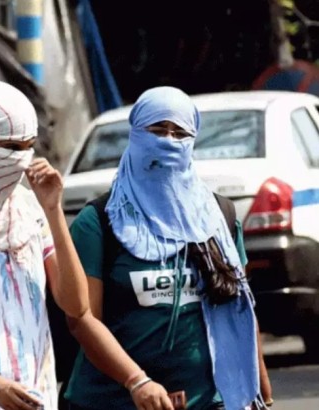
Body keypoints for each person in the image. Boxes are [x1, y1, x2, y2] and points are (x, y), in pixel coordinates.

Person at [0, 81, 172, 410]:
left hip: (34, 394)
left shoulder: (30, 212)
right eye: (9, 147)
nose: (20, 160)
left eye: (28, 147)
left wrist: (53, 210)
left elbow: (76, 306)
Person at [65, 86, 273, 409]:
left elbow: (239, 307)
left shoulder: (218, 218)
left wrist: (257, 385)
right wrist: (136, 381)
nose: (169, 141)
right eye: (158, 130)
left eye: (180, 134)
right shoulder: (99, 223)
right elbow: (82, 320)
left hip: (207, 400)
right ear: (135, 134)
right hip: (113, 402)